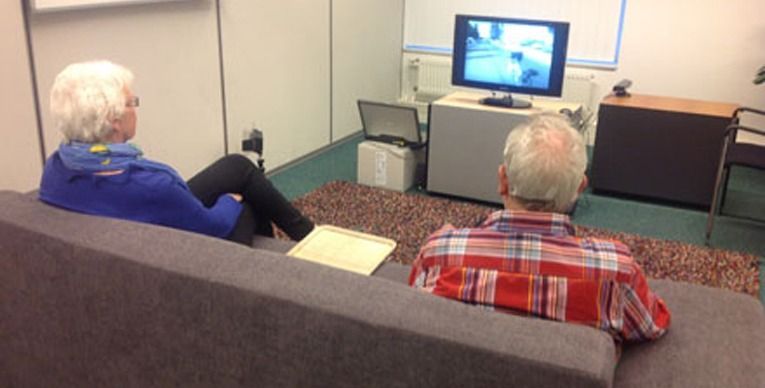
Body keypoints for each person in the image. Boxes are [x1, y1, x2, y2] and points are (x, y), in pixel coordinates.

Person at [409, 113, 671, 344]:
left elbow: (412, 305)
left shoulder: (438, 252)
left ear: (503, 180)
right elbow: (652, 324)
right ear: (578, 189)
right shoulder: (616, 269)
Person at [39, 60, 314, 244]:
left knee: (237, 167)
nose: (136, 108)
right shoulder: (151, 184)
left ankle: (309, 235)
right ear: (114, 119)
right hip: (186, 252)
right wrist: (229, 202)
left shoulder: (57, 168)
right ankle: (273, 273)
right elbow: (214, 226)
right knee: (249, 205)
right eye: (132, 102)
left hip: (138, 220)